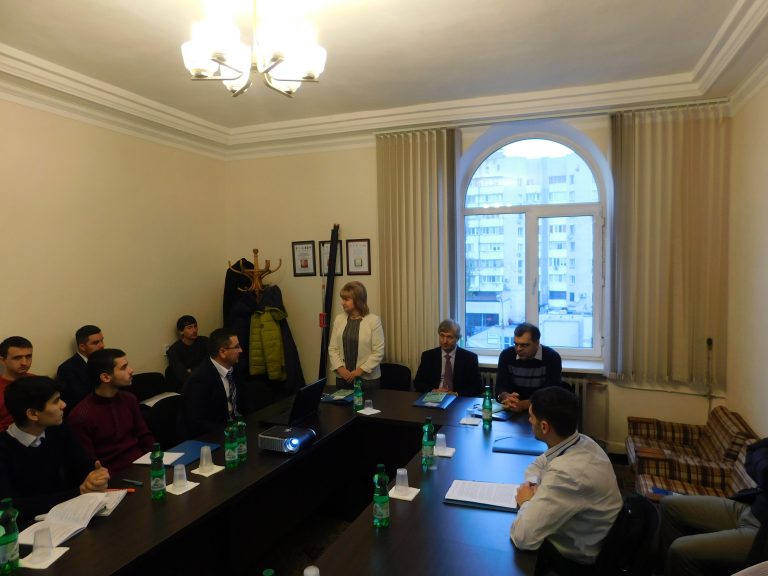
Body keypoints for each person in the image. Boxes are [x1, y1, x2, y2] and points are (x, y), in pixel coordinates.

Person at [511, 386, 622, 571]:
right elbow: (539, 464)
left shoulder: (567, 474)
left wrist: (526, 502)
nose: (529, 421)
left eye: (531, 417)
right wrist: (533, 485)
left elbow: (523, 538)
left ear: (544, 427)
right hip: (587, 531)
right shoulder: (582, 441)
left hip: (575, 559)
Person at [0, 376, 110, 525]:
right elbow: (11, 506)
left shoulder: (59, 429)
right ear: (33, 414)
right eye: (56, 401)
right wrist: (78, 492)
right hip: (29, 528)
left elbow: (84, 466)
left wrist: (96, 478)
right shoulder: (4, 449)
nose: (63, 405)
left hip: (74, 516)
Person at [659, 437, 768, 576]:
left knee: (680, 549)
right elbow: (752, 450)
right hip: (749, 509)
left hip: (761, 533)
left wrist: (762, 459)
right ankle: (669, 568)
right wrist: (763, 464)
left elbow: (764, 471)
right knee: (669, 505)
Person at [68, 348, 155, 473]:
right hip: (112, 475)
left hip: (142, 465)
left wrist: (158, 461)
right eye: (123, 368)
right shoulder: (81, 415)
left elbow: (144, 435)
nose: (131, 370)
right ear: (105, 377)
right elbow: (89, 461)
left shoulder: (129, 399)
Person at [178, 328, 246, 439]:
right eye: (236, 347)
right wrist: (229, 432)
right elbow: (197, 422)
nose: (241, 350)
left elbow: (242, 405)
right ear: (222, 352)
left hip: (236, 430)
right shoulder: (199, 380)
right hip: (212, 437)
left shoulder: (234, 369)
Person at [496, 322, 564, 413]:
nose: (518, 349)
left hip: (540, 410)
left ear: (537, 343)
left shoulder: (552, 357)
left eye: (524, 345)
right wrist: (505, 397)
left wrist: (524, 405)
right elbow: (500, 386)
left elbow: (550, 395)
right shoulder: (506, 355)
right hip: (511, 407)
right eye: (516, 344)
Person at [328, 281, 385, 390]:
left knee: (367, 402)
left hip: (367, 379)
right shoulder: (339, 319)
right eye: (342, 299)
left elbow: (378, 352)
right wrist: (340, 368)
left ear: (358, 300)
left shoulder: (373, 321)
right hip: (343, 377)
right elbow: (333, 348)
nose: (342, 303)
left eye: (346, 299)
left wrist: (359, 371)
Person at [413, 319, 483, 396]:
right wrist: (433, 391)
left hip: (457, 398)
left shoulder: (469, 358)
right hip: (433, 396)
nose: (444, 341)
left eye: (449, 337)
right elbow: (418, 383)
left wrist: (456, 394)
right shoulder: (428, 356)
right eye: (442, 336)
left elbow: (478, 388)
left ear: (457, 339)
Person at [56, 325, 105, 412]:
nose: (102, 345)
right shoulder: (67, 369)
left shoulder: (105, 362)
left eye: (102, 340)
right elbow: (80, 400)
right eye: (95, 343)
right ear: (82, 347)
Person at [0, 336, 34, 432]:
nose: (24, 363)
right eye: (17, 358)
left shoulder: (37, 381)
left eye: (28, 356)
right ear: (3, 360)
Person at [166, 315, 209, 389]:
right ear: (181, 331)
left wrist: (191, 369)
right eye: (189, 328)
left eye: (195, 326)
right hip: (189, 385)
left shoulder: (204, 341)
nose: (194, 330)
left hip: (208, 378)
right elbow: (183, 376)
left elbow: (213, 362)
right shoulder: (174, 350)